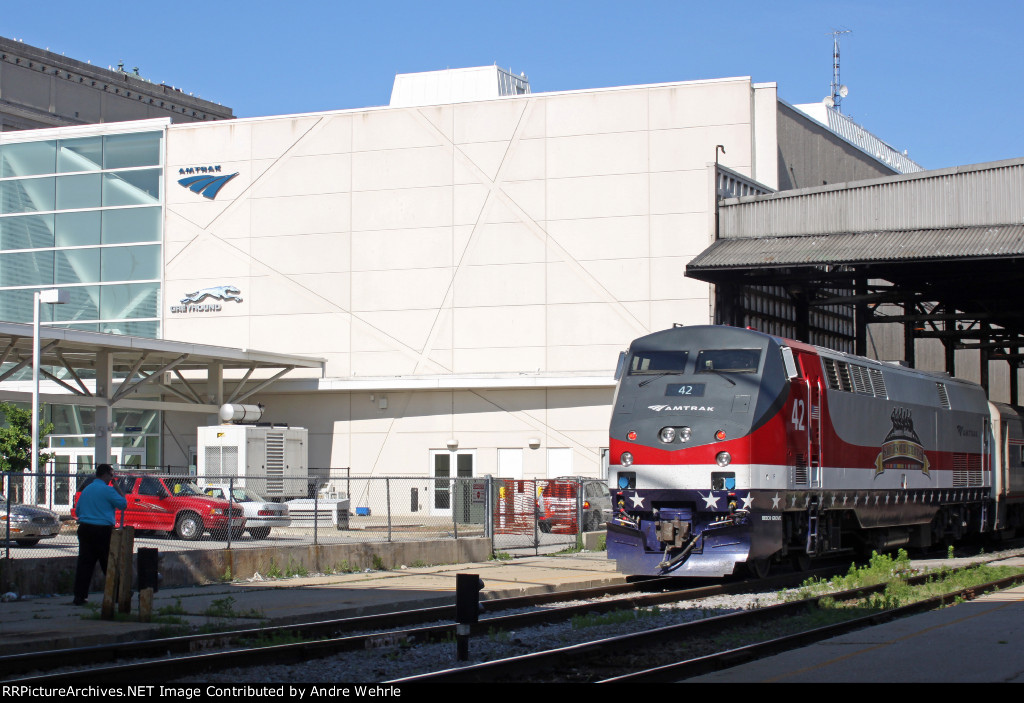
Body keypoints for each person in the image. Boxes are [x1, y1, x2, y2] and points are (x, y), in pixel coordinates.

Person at [72, 463, 127, 606]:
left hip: (85, 528)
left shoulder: (87, 489)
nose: (112, 478)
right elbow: (123, 504)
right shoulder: (108, 490)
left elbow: (78, 511)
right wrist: (117, 488)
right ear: (105, 474)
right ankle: (116, 593)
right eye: (111, 475)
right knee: (109, 563)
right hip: (102, 530)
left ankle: (80, 596)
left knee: (85, 564)